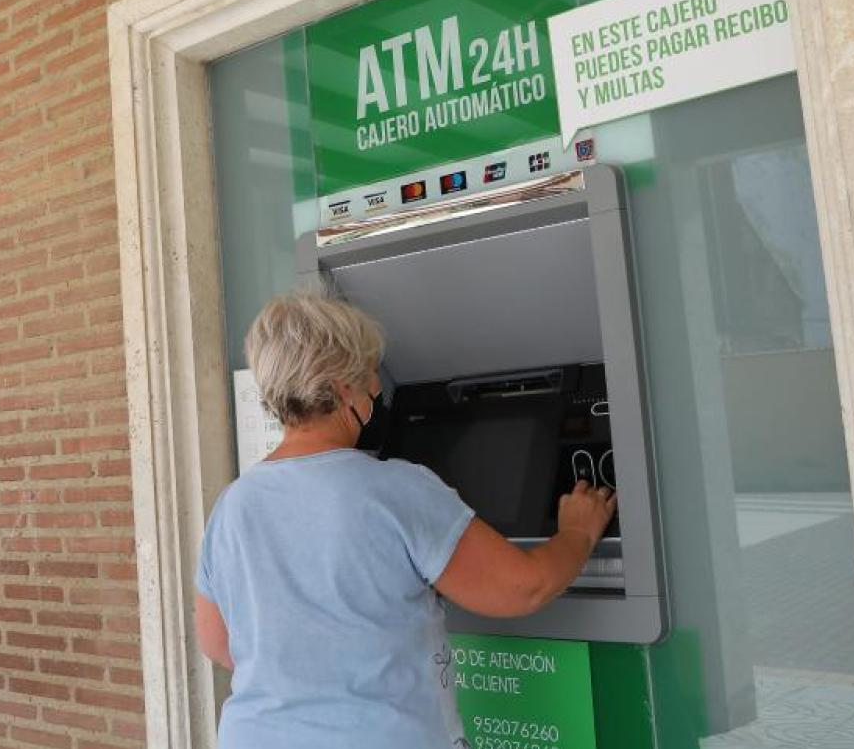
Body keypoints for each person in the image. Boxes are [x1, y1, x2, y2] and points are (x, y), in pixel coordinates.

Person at [195, 291, 616, 749]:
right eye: (370, 373)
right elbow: (525, 587)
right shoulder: (394, 490)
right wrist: (578, 530)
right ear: (342, 388)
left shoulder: (232, 505)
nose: (378, 388)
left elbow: (218, 644)